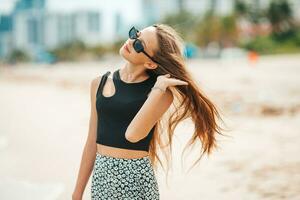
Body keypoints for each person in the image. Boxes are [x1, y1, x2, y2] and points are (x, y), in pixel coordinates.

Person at [72, 23, 224, 200]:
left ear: (150, 63)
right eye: (136, 34)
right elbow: (92, 141)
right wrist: (77, 192)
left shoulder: (161, 94)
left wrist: (158, 88)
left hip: (135, 182)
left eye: (139, 45)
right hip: (101, 180)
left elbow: (132, 135)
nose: (131, 41)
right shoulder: (99, 83)